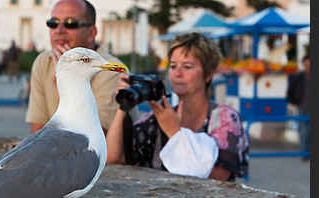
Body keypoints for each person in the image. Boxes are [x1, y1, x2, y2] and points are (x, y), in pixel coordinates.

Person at [106, 32, 249, 181]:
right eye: (173, 66)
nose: (177, 73)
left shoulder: (224, 118)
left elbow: (217, 177)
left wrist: (174, 132)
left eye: (187, 66)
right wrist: (123, 106)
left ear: (208, 75)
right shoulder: (154, 119)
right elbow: (112, 158)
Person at [25, 0, 126, 135]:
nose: (59, 31)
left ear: (91, 33)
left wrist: (65, 81)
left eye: (70, 23)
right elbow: (37, 134)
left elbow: (93, 139)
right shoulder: (44, 62)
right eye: (53, 23)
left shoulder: (110, 70)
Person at [286, 53, 310, 161]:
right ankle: (304, 154)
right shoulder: (298, 77)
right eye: (306, 64)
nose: (307, 66)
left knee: (310, 131)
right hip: (302, 107)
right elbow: (290, 90)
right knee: (303, 131)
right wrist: (293, 101)